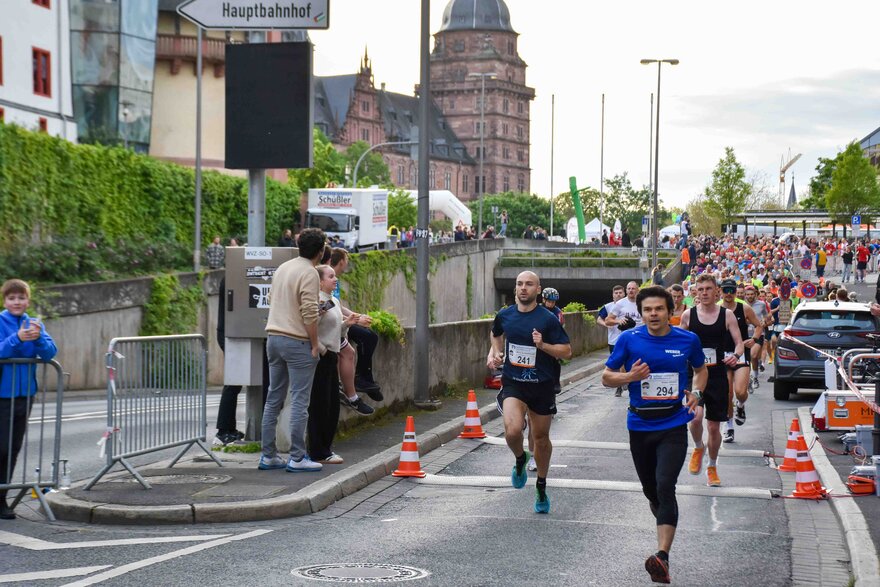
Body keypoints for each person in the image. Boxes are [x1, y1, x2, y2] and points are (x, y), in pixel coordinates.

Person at [602, 285, 705, 585]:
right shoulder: (629, 339)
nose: (653, 314)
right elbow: (607, 377)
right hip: (640, 425)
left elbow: (701, 369)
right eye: (647, 310)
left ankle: (662, 556)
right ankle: (663, 516)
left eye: (659, 309)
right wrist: (630, 377)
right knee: (651, 491)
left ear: (670, 310)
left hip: (673, 423)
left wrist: (697, 392)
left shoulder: (688, 340)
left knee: (665, 485)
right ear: (641, 313)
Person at [487, 271, 571, 514]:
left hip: (542, 385)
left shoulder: (548, 319)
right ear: (515, 288)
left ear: (538, 290)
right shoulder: (505, 315)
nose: (523, 288)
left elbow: (566, 351)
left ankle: (541, 486)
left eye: (529, 284)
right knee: (513, 431)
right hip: (514, 382)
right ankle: (520, 458)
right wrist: (496, 352)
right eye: (519, 284)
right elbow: (495, 333)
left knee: (541, 438)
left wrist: (542, 345)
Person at [260, 228, 326, 473]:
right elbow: (309, 312)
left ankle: (268, 455)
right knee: (300, 400)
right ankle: (297, 457)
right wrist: (315, 343)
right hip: (297, 340)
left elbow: (271, 300)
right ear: (320, 252)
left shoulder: (283, 268)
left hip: (273, 337)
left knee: (273, 397)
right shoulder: (309, 273)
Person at [679, 274, 744, 487]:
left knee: (714, 427)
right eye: (701, 289)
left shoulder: (727, 315)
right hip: (695, 373)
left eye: (708, 288)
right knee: (695, 417)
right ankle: (698, 447)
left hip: (717, 375)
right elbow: (679, 344)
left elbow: (739, 343)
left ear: (716, 291)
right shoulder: (688, 316)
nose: (704, 292)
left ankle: (712, 466)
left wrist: (735, 355)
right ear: (695, 292)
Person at [0, 279, 58, 520]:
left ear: (27, 300)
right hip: (2, 395)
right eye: (12, 298)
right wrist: (17, 339)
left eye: (21, 298)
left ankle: (1, 499)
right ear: (5, 301)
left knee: (12, 449)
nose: (17, 302)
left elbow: (49, 353)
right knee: (1, 448)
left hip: (24, 395)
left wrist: (37, 339)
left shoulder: (34, 323)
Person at [307, 265, 360, 464]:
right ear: (320, 281)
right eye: (330, 276)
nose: (334, 279)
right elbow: (311, 326)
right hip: (322, 355)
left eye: (335, 276)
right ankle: (318, 450)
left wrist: (348, 323)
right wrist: (320, 348)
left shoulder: (334, 301)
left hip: (333, 354)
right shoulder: (317, 301)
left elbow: (337, 331)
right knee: (320, 403)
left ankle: (326, 448)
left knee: (331, 403)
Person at [213, 277, 269, 446]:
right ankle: (224, 430)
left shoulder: (230, 276)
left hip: (232, 332)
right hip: (234, 334)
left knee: (235, 381)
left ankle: (227, 429)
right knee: (234, 382)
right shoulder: (233, 278)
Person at [328, 248, 381, 416]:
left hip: (340, 322)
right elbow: (329, 308)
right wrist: (355, 319)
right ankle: (358, 383)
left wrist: (356, 316)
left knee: (367, 338)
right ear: (342, 261)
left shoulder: (332, 280)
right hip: (333, 326)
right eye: (347, 260)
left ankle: (363, 381)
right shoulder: (325, 278)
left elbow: (337, 305)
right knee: (363, 339)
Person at [718, 279, 762, 443]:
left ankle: (741, 406)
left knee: (740, 392)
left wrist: (754, 339)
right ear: (720, 291)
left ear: (736, 291)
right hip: (722, 355)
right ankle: (729, 427)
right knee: (727, 393)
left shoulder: (744, 308)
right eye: (726, 290)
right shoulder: (716, 309)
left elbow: (759, 325)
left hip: (740, 353)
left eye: (732, 290)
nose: (729, 294)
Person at [605, 281, 644, 396]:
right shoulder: (620, 304)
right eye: (629, 289)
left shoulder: (642, 302)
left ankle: (640, 382)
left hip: (641, 336)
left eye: (633, 288)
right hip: (625, 337)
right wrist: (618, 321)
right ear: (626, 291)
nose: (631, 290)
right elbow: (608, 320)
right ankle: (622, 383)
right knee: (623, 360)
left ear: (637, 290)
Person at [597, 285, 626, 396]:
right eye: (616, 293)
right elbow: (599, 318)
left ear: (624, 294)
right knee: (617, 363)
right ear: (613, 295)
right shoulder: (608, 307)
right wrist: (606, 324)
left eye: (620, 293)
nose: (618, 295)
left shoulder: (629, 305)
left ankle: (627, 381)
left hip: (628, 338)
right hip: (614, 340)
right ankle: (619, 386)